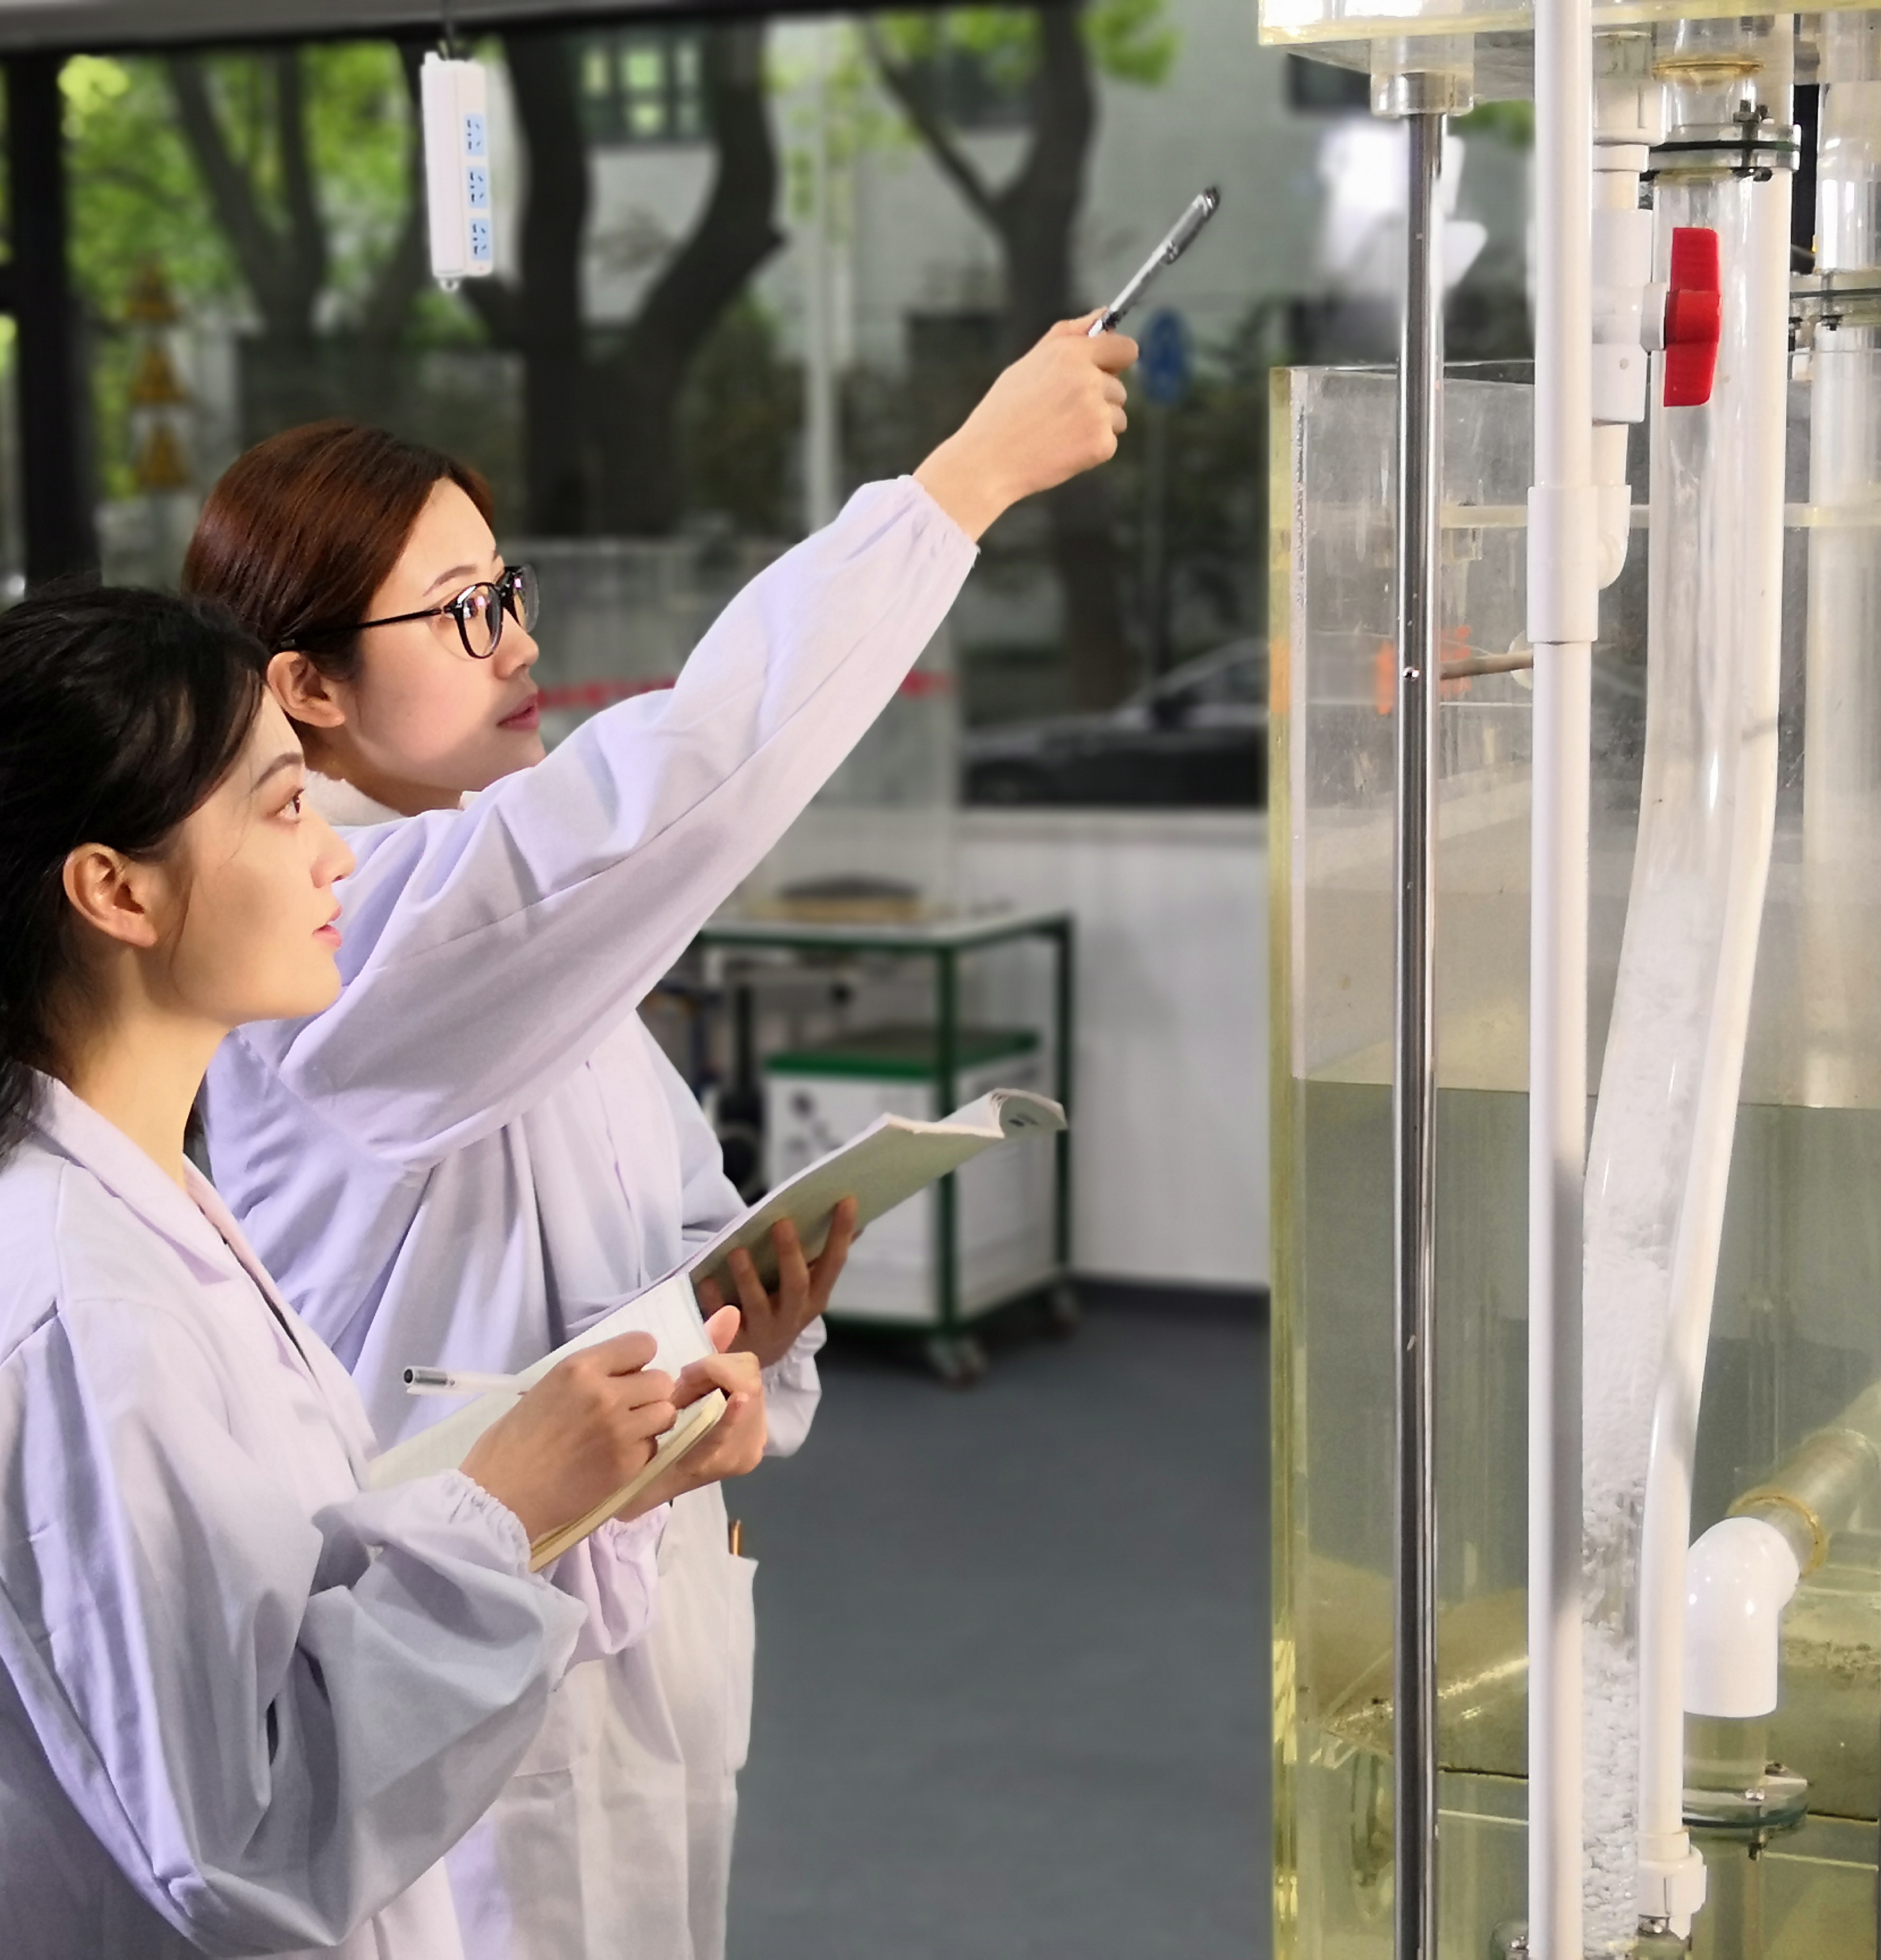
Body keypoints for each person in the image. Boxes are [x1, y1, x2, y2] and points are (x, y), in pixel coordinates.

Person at [181, 315, 1136, 1957]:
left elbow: (675, 1215)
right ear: (307, 688)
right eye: (462, 610)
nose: (515, 643)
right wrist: (964, 483)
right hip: (460, 1644)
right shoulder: (353, 942)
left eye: (509, 591)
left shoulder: (528, 946)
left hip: (635, 1620)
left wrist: (739, 1339)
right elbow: (684, 773)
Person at [0, 586, 769, 1959]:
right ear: (117, 890)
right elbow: (248, 1838)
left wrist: (583, 1485)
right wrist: (501, 1515)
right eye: (285, 808)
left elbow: (290, 1591)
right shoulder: (72, 1313)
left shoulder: (148, 1214)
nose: (336, 858)